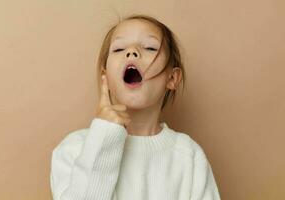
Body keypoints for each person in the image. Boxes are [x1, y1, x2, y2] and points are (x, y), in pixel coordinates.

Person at [50, 14, 221, 200]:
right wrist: (104, 136)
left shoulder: (189, 156)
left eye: (149, 47)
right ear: (105, 76)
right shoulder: (74, 149)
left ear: (172, 78)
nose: (131, 52)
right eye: (119, 49)